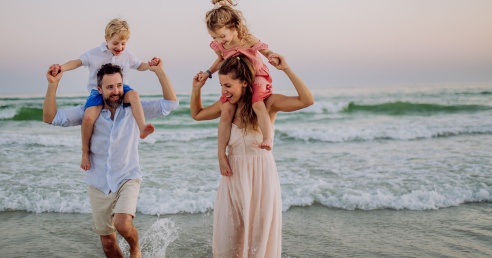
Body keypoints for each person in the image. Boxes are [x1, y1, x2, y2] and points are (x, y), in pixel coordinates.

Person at [43, 59, 178, 258]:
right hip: (97, 182)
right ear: (99, 89)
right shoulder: (87, 112)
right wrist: (53, 84)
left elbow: (170, 104)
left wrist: (159, 72)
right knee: (108, 244)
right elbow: (51, 117)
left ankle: (135, 247)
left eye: (119, 85)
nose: (116, 91)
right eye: (110, 87)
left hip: (127, 176)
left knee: (122, 225)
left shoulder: (133, 106)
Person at [191, 54, 314, 258]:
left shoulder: (268, 103)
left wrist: (287, 69)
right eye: (221, 86)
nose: (224, 91)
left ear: (245, 83)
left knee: (259, 235)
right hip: (233, 177)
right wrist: (196, 89)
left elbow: (307, 100)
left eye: (228, 85)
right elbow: (197, 114)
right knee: (232, 235)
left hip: (261, 178)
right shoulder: (226, 105)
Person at [48, 18, 158, 172]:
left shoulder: (128, 55)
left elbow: (140, 66)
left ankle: (142, 127)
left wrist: (151, 65)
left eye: (123, 43)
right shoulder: (94, 53)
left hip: (120, 89)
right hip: (97, 91)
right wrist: (62, 68)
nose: (119, 47)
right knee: (88, 118)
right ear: (106, 40)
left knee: (134, 94)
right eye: (115, 43)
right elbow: (78, 62)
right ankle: (85, 152)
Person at [197, 0, 279, 177]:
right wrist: (208, 73)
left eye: (222, 36)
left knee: (257, 103)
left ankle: (267, 138)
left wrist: (273, 55)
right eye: (214, 37)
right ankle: (222, 154)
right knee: (226, 111)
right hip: (237, 81)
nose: (219, 41)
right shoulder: (219, 45)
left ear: (233, 27)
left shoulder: (247, 39)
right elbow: (219, 61)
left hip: (257, 75)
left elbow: (266, 51)